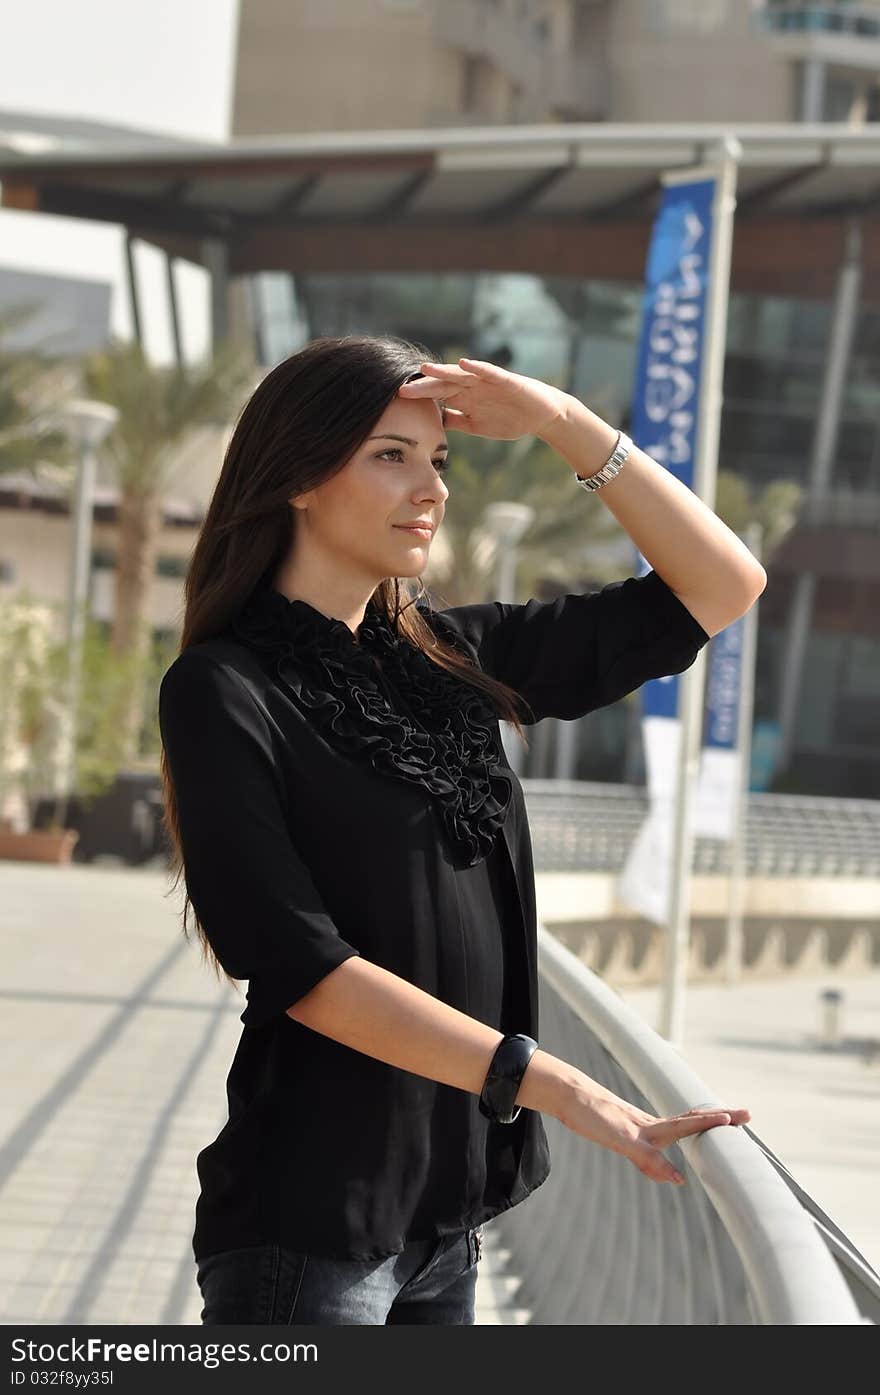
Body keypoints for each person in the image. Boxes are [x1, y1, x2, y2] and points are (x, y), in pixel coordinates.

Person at [158, 334, 758, 1326]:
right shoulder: (225, 690)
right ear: (298, 477)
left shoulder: (453, 657)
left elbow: (722, 586)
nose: (429, 488)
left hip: (449, 1219)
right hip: (312, 1230)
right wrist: (550, 1084)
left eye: (437, 460)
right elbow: (300, 969)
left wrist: (565, 423)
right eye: (389, 455)